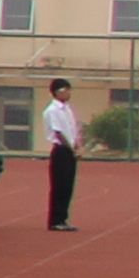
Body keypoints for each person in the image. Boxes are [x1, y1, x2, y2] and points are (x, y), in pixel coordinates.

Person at [42, 77, 82, 231]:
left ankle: (63, 218)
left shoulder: (67, 109)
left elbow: (73, 131)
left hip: (70, 150)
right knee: (59, 185)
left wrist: (78, 146)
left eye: (68, 90)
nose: (67, 93)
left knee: (68, 186)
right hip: (61, 150)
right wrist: (72, 149)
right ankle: (56, 219)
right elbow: (59, 133)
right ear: (56, 92)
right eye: (64, 90)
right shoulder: (52, 110)